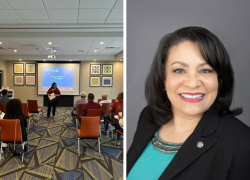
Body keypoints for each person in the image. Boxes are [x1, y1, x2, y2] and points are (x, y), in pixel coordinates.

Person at [127, 27, 250, 180]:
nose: (192, 83)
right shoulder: (148, 116)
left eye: (205, 70)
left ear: (219, 79)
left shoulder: (243, 144)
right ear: (163, 78)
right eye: (179, 70)